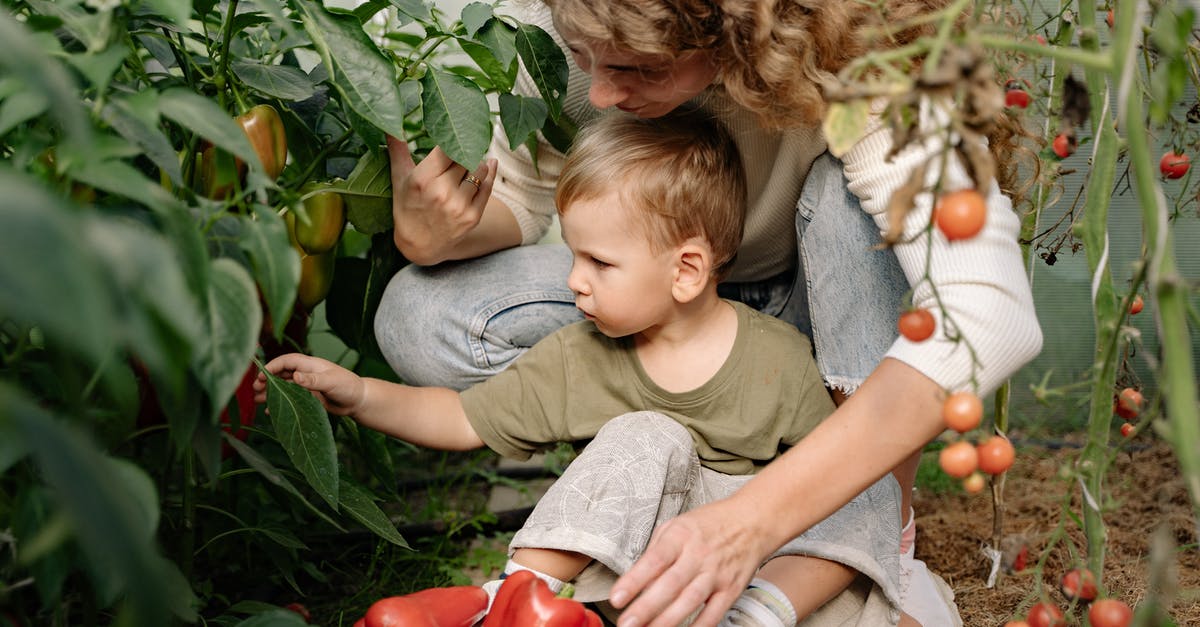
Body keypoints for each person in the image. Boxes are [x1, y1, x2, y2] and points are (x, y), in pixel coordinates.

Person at [375, 0, 1043, 625]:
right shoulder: (568, 15)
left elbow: (989, 312)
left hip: (808, 318)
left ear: (734, 27)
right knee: (420, 313)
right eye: (584, 58)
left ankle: (867, 523)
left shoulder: (863, 64)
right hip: (658, 310)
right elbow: (518, 196)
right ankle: (651, 490)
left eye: (638, 67)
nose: (603, 95)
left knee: (850, 202)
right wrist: (434, 234)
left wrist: (753, 520)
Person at [261, 110, 912, 626]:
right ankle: (511, 599)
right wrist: (362, 393)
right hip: (638, 557)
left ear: (685, 270)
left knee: (860, 488)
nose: (573, 282)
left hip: (747, 560)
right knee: (645, 435)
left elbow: (842, 495)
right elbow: (462, 417)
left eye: (598, 263)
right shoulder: (582, 353)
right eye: (573, 255)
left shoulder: (777, 361)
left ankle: (753, 617)